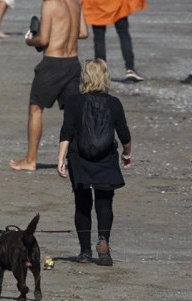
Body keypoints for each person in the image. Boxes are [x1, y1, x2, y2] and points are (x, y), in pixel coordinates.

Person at [56, 59, 132, 266]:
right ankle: (103, 240)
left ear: (84, 78)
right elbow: (124, 133)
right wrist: (127, 153)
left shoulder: (73, 101)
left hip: (79, 157)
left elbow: (67, 131)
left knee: (82, 203)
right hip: (105, 158)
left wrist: (60, 158)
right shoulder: (114, 103)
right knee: (104, 202)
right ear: (105, 77)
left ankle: (85, 252)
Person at [12, 0, 87, 171]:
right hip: (73, 63)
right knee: (74, 113)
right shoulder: (73, 0)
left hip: (53, 63)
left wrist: (30, 40)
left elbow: (43, 39)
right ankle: (80, 159)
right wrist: (62, 33)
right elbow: (83, 32)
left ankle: (30, 160)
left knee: (36, 109)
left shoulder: (49, 4)